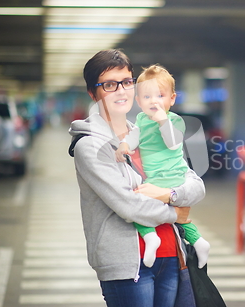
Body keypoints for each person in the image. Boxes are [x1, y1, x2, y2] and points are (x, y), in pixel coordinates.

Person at [68, 49, 205, 307]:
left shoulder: (148, 132)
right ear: (93, 93)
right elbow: (128, 205)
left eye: (127, 82)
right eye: (109, 84)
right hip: (126, 266)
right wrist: (176, 213)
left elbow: (195, 185)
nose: (121, 91)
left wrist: (170, 195)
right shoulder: (89, 146)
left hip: (171, 255)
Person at [115, 64, 210, 269]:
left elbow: (174, 142)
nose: (154, 102)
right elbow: (134, 136)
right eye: (147, 97)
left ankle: (150, 238)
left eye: (160, 96)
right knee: (180, 218)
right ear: (139, 101)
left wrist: (162, 121)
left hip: (171, 176)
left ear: (172, 99)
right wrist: (124, 146)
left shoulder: (174, 120)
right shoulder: (140, 119)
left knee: (138, 205)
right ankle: (199, 242)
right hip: (155, 177)